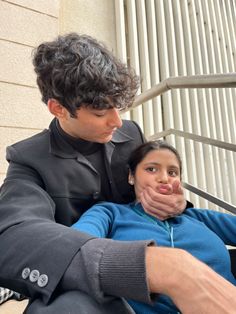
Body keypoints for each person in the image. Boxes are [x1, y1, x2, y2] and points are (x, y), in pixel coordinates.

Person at [0, 33, 236, 314]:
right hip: (92, 286)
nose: (117, 120)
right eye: (101, 113)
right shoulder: (28, 158)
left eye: (118, 106)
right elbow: (13, 235)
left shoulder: (131, 132)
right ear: (58, 108)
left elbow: (149, 185)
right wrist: (153, 265)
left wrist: (176, 203)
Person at [72, 140, 236, 313]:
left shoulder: (198, 217)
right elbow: (74, 246)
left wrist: (183, 207)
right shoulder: (110, 213)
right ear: (131, 176)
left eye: (172, 172)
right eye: (151, 169)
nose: (164, 178)